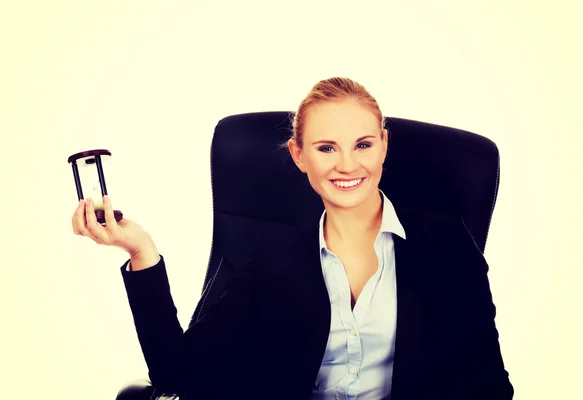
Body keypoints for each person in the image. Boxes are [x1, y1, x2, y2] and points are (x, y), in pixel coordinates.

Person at [72, 77, 514, 399]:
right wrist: (141, 251)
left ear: (383, 145)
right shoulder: (270, 260)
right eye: (326, 148)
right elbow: (177, 373)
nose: (347, 165)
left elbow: (489, 387)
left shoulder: (446, 246)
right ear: (298, 156)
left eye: (362, 145)